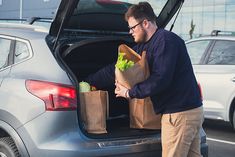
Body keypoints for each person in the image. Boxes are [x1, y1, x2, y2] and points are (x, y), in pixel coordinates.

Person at [86, 2, 203, 157]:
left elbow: (160, 80)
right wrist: (89, 81)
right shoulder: (146, 46)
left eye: (133, 27)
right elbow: (116, 69)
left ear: (145, 23)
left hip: (179, 115)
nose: (130, 32)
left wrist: (129, 93)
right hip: (188, 111)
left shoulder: (165, 41)